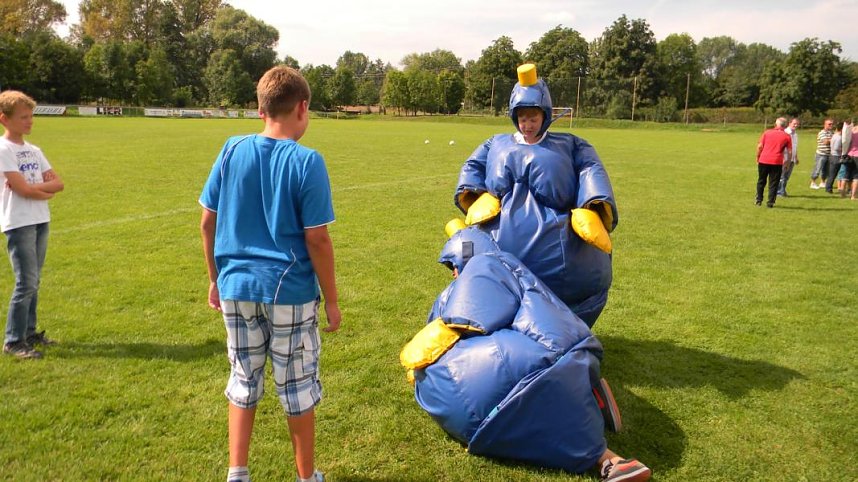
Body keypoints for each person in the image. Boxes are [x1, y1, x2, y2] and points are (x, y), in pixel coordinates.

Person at [400, 226, 650, 482]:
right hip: (560, 357)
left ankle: (609, 459)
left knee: (544, 398)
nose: (453, 272)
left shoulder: (485, 265)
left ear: (465, 254)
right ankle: (591, 396)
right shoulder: (500, 274)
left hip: (545, 363)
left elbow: (475, 315)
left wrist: (443, 332)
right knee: (550, 401)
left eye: (453, 264)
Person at [199, 66, 341, 482]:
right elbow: (317, 239)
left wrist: (214, 277)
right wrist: (331, 299)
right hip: (290, 292)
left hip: (235, 286)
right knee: (296, 385)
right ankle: (306, 476)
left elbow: (208, 221)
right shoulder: (307, 161)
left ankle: (237, 472)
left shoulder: (230, 148)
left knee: (243, 376)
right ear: (302, 108)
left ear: (261, 110)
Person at [454, 64, 617, 327]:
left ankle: (566, 340)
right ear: (513, 117)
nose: (527, 125)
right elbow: (471, 168)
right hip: (499, 244)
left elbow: (591, 168)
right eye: (522, 118)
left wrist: (592, 205)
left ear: (545, 116)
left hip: (562, 255)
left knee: (567, 308)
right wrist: (477, 197)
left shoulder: (570, 145)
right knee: (482, 282)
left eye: (533, 118)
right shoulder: (496, 143)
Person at [0, 90, 64, 360]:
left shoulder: (34, 150)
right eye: (24, 117)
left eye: (31, 116)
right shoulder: (4, 150)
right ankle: (14, 340)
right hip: (19, 222)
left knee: (34, 281)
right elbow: (22, 189)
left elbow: (58, 183)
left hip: (40, 219)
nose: (30, 121)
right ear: (4, 119)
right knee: (26, 282)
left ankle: (29, 332)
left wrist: (36, 189)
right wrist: (41, 189)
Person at [756, 117, 792, 208]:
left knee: (761, 180)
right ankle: (770, 202)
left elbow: (760, 146)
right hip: (777, 161)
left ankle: (758, 200)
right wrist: (787, 163)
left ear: (776, 124)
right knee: (774, 182)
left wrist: (758, 157)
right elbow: (790, 152)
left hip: (764, 160)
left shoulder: (767, 133)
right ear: (785, 126)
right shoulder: (787, 136)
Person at [777, 117, 800, 197]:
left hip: (792, 159)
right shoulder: (785, 133)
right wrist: (783, 158)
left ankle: (782, 190)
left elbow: (794, 147)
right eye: (794, 124)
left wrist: (796, 157)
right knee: (782, 176)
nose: (796, 125)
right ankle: (779, 192)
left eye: (797, 124)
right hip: (785, 158)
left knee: (787, 176)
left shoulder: (795, 134)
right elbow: (782, 147)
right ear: (789, 123)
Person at [809, 119, 833, 189]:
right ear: (825, 125)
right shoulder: (822, 133)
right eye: (829, 124)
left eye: (832, 124)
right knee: (817, 169)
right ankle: (812, 183)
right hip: (821, 154)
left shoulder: (831, 133)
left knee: (825, 170)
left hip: (828, 154)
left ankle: (822, 182)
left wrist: (832, 139)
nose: (831, 125)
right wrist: (833, 139)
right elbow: (825, 142)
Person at [841, 120, 858, 200]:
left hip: (849, 155)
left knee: (846, 175)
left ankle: (842, 194)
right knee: (856, 177)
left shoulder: (853, 130)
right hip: (857, 156)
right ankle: (853, 196)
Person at [824, 124, 842, 194]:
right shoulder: (839, 137)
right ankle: (828, 188)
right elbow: (836, 148)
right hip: (836, 156)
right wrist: (843, 149)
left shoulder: (834, 135)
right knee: (833, 174)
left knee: (831, 173)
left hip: (832, 155)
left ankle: (828, 187)